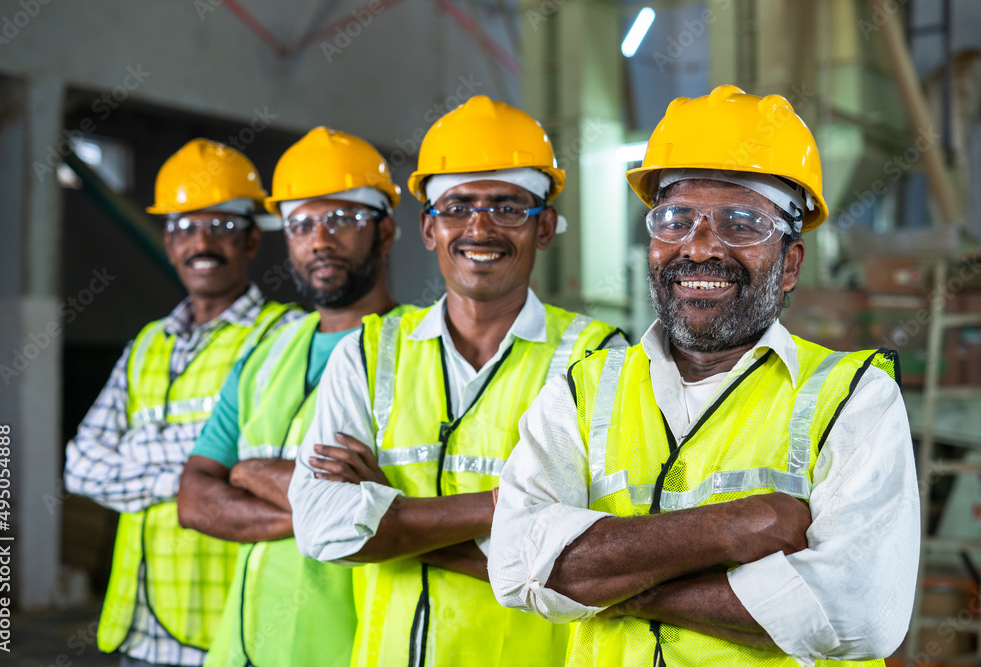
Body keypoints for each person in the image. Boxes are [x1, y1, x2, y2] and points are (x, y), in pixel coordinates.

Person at [488, 84, 920, 666]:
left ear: (789, 263)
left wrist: (618, 585)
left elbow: (857, 611)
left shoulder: (853, 398)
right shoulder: (583, 390)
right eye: (674, 219)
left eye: (741, 224)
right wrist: (733, 527)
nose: (698, 248)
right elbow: (515, 567)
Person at [288, 95, 629, 667]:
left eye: (507, 207)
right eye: (457, 206)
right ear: (427, 228)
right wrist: (507, 508)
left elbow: (595, 555)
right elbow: (323, 529)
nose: (479, 227)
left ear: (544, 226)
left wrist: (391, 518)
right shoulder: (367, 353)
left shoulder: (598, 362)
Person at [177, 127, 414, 667]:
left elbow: (418, 512)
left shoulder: (422, 350)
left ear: (384, 232)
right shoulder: (267, 352)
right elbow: (193, 499)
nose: (320, 240)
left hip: (351, 649)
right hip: (242, 649)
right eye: (301, 223)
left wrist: (252, 475)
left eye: (343, 219)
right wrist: (330, 510)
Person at [64, 139, 298, 667]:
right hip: (138, 629)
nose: (202, 242)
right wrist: (191, 481)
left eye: (221, 227)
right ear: (168, 243)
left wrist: (141, 457)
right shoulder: (146, 344)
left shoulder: (282, 337)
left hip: (227, 631)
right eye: (185, 227)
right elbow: (80, 465)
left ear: (252, 242)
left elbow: (274, 470)